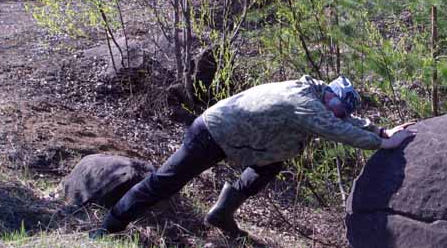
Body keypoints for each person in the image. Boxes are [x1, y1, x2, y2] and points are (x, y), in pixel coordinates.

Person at [91, 75, 415, 239]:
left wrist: (381, 131)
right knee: (167, 181)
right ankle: (111, 225)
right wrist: (380, 145)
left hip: (244, 142)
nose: (342, 115)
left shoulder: (318, 95)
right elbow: (336, 129)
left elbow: (342, 121)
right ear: (332, 97)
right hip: (212, 133)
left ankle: (221, 213)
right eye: (341, 109)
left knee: (269, 167)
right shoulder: (302, 101)